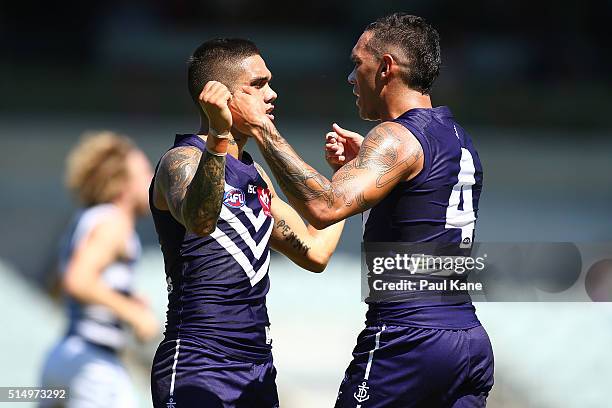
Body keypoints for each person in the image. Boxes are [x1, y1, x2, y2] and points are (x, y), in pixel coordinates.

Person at [231, 13, 494, 408]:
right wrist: (361, 174)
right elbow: (420, 215)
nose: (351, 78)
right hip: (466, 340)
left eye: (357, 64)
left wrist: (262, 131)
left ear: (386, 67)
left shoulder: (396, 138)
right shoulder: (457, 137)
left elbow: (324, 207)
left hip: (408, 340)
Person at [149, 38, 345, 408]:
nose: (272, 94)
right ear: (219, 96)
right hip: (198, 361)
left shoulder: (257, 177)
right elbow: (200, 219)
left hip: (257, 367)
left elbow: (316, 252)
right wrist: (220, 136)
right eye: (257, 84)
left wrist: (344, 179)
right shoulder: (180, 161)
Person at [40, 131, 159, 408]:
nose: (152, 179)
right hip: (93, 367)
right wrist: (133, 313)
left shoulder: (85, 219)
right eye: (144, 172)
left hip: (62, 358)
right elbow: (78, 280)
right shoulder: (114, 222)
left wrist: (121, 298)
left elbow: (62, 284)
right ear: (121, 184)